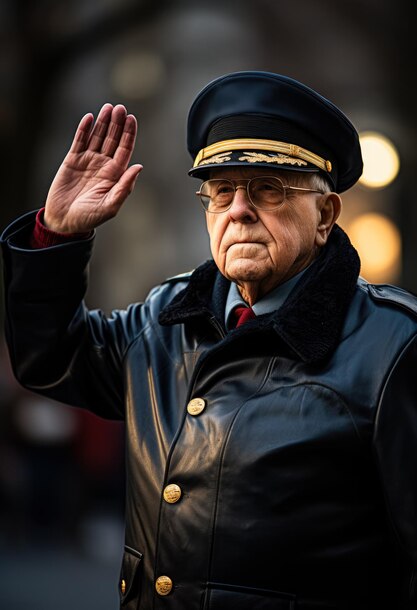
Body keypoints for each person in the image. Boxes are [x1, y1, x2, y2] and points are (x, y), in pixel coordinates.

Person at [1, 71, 417, 610]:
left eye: (268, 188)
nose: (239, 209)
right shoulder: (163, 320)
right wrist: (57, 235)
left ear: (326, 215)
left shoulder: (394, 344)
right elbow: (50, 359)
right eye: (221, 191)